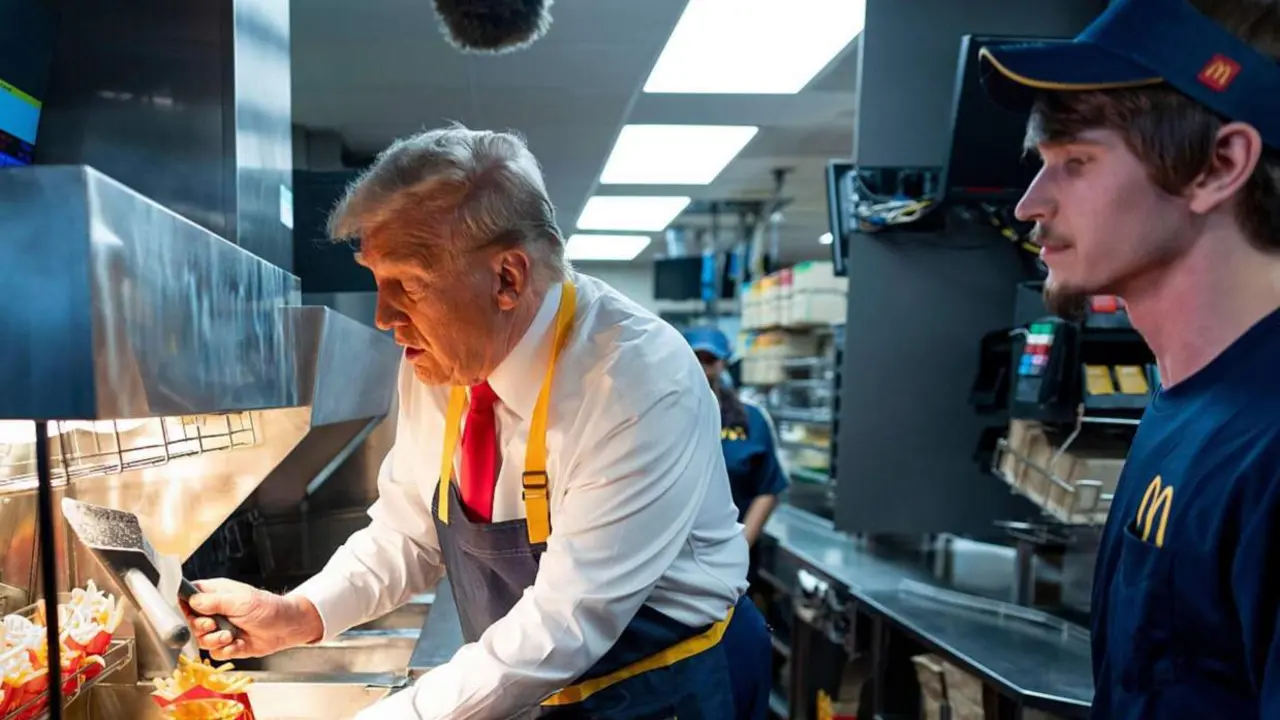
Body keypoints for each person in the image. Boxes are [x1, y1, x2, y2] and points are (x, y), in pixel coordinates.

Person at [183, 125, 773, 718]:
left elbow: (567, 622)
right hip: (543, 677)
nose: (385, 316)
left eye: (407, 285)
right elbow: (407, 532)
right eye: (376, 282)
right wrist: (302, 615)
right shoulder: (440, 362)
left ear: (507, 279)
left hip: (668, 685)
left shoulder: (636, 379)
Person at [980, 0, 1280, 716]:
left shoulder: (1268, 444)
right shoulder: (1183, 404)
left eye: (1076, 162)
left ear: (1220, 164)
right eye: (1042, 163)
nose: (1028, 203)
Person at [683, 326, 788, 549]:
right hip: (674, 558)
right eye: (695, 359)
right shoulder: (664, 417)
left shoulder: (752, 420)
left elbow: (768, 488)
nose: (703, 368)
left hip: (732, 554)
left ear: (723, 363)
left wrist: (739, 550)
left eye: (710, 360)